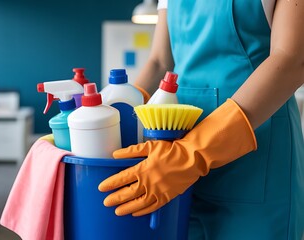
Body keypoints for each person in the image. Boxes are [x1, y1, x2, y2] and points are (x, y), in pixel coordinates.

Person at [98, 0, 304, 239]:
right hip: (174, 165)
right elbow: (159, 62)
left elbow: (292, 59)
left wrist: (191, 154)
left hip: (254, 164)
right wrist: (113, 115)